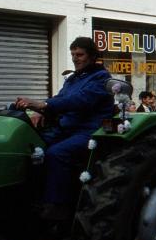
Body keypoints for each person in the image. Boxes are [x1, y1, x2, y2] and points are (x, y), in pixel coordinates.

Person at [15, 37, 114, 220]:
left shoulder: (102, 78)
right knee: (31, 148)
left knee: (56, 153)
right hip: (66, 129)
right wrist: (42, 111)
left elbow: (79, 101)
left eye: (80, 54)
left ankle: (57, 206)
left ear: (92, 56)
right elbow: (60, 98)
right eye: (73, 54)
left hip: (89, 131)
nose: (76, 58)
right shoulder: (73, 79)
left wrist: (43, 105)